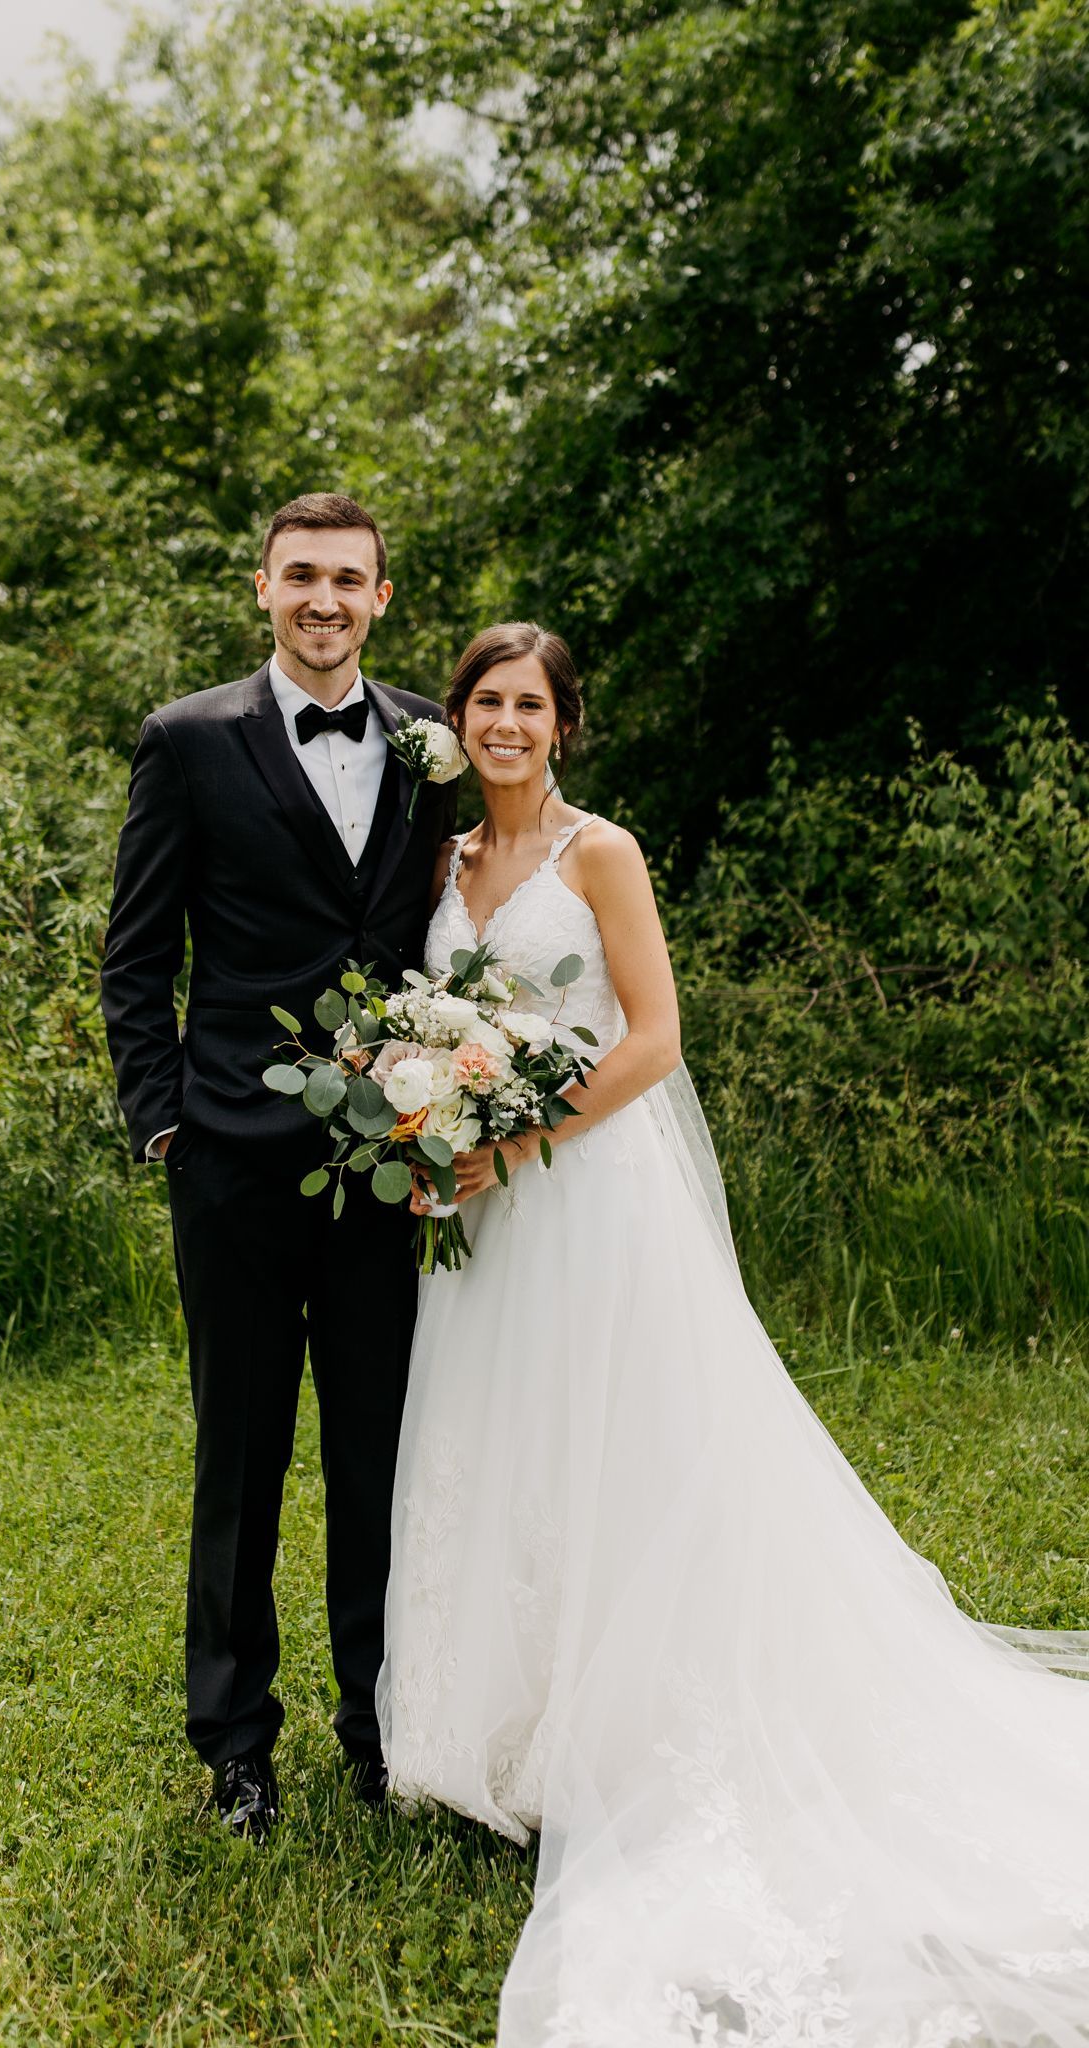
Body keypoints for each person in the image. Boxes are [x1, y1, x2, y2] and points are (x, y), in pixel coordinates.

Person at [381, 620, 1089, 2045]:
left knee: (621, 1449)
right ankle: (495, 1736)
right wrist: (434, 1111)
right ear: (456, 722)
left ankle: (623, 1736)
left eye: (530, 703)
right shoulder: (443, 863)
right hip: (484, 1215)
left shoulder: (603, 855)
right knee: (497, 1439)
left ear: (564, 726)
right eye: (485, 701)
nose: (506, 722)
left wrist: (517, 1141)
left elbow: (652, 1038)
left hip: (588, 1199)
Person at [102, 493, 457, 1838]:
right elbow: (137, 957)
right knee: (240, 1462)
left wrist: (454, 1107)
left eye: (347, 580)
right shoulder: (189, 742)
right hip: (233, 1168)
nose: (324, 600)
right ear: (264, 588)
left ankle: (382, 1729)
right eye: (301, 575)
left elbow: (448, 937)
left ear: (379, 594)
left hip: (390, 1170)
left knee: (382, 1458)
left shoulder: (434, 743)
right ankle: (236, 1745)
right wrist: (164, 1124)